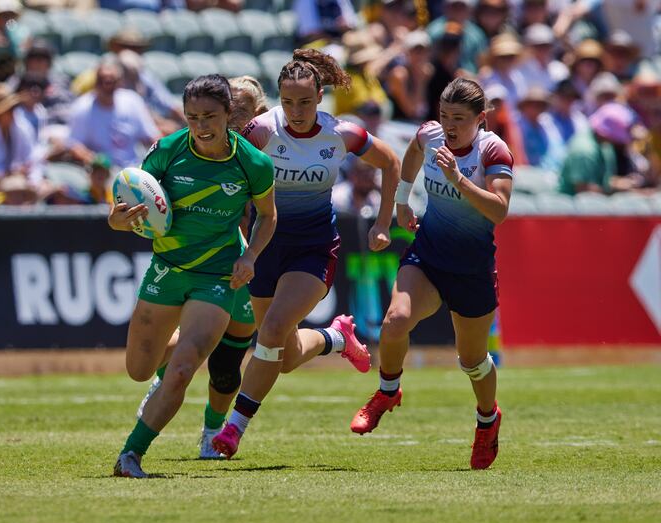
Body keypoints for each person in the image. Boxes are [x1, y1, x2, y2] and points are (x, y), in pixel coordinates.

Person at [211, 49, 402, 459]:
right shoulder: (261, 131)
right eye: (288, 101)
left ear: (321, 97)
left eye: (305, 102)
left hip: (314, 249)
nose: (296, 111)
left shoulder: (342, 135)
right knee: (282, 356)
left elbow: (391, 162)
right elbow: (227, 175)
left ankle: (233, 429)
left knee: (273, 328)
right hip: (265, 246)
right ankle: (337, 337)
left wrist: (385, 222)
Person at [111, 74, 277, 478]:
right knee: (138, 370)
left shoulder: (253, 163)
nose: (201, 126)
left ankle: (131, 454)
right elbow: (129, 199)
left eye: (210, 117)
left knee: (186, 369)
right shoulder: (168, 150)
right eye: (192, 117)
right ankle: (171, 348)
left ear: (228, 114)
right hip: (166, 270)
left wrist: (251, 255)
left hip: (217, 277)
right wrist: (118, 219)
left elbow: (268, 217)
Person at [350, 78, 513, 470]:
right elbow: (412, 151)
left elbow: (499, 210)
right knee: (395, 321)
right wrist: (403, 201)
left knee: (472, 361)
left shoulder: (491, 149)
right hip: (428, 254)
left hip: (472, 269)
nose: (450, 124)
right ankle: (388, 390)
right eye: (444, 115)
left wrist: (458, 179)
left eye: (459, 117)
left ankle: (487, 419)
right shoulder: (431, 135)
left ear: (480, 119)